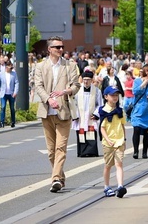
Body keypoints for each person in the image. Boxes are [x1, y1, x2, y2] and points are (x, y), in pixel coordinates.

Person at [34, 37, 81, 192]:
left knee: (61, 148)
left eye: (62, 47)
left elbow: (76, 85)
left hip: (64, 112)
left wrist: (65, 91)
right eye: (57, 47)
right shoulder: (40, 66)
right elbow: (38, 87)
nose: (61, 50)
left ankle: (54, 179)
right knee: (51, 151)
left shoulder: (70, 65)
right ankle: (60, 178)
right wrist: (48, 99)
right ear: (50, 49)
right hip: (47, 112)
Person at [96, 86, 127, 198]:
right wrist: (108, 140)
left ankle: (120, 186)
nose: (115, 97)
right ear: (106, 97)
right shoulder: (103, 111)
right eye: (112, 95)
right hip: (108, 142)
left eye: (116, 95)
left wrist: (124, 139)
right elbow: (102, 128)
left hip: (119, 141)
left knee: (119, 164)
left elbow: (122, 125)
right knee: (108, 165)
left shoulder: (120, 110)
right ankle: (107, 186)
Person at [74, 70, 102, 157]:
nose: (86, 81)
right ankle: (82, 152)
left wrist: (96, 114)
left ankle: (91, 151)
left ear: (92, 80)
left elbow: (100, 104)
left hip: (91, 115)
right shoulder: (78, 90)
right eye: (84, 79)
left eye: (88, 79)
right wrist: (75, 114)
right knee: (81, 133)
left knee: (91, 133)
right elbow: (73, 103)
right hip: (81, 115)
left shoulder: (97, 91)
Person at [131, 65, 148, 159]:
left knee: (146, 131)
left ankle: (145, 152)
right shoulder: (137, 81)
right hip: (138, 109)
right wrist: (144, 83)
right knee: (136, 129)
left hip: (147, 110)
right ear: (146, 72)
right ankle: (136, 151)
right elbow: (135, 92)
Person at [0, 61, 19, 128]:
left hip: (11, 94)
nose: (11, 69)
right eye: (10, 67)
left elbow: (17, 83)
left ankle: (13, 122)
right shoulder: (1, 74)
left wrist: (15, 92)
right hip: (3, 94)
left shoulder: (14, 74)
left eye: (11, 67)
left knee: (12, 108)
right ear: (6, 67)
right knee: (3, 107)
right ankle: (2, 122)